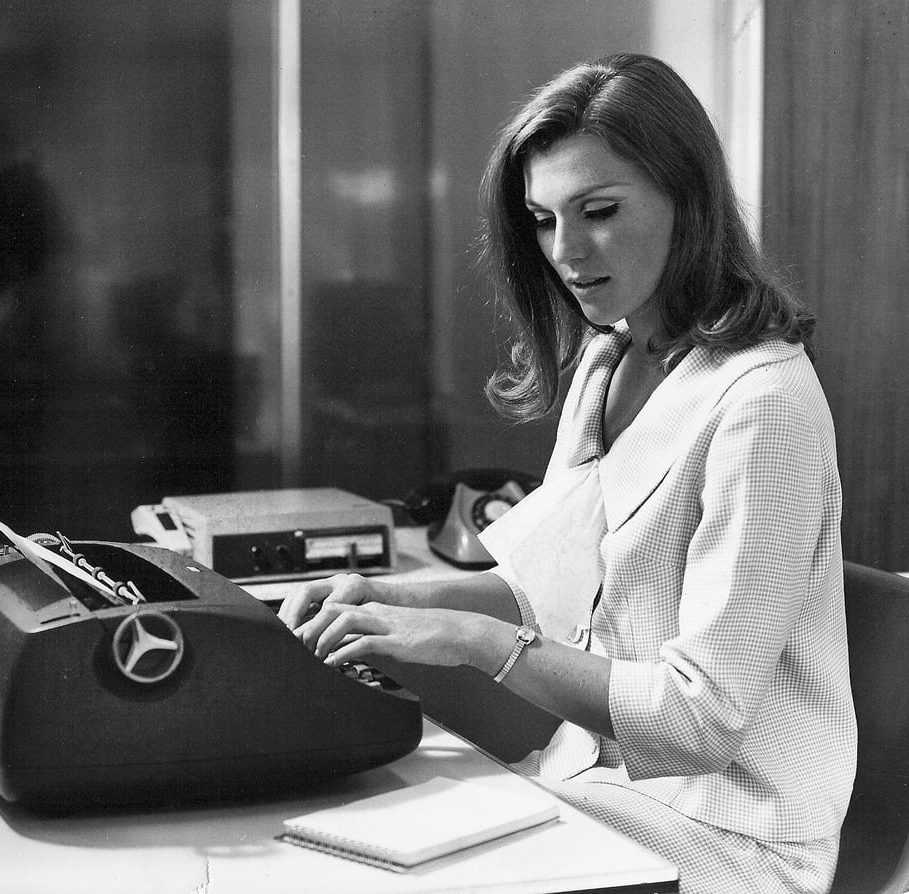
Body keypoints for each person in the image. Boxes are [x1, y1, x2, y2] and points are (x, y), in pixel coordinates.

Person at [278, 53, 856, 894]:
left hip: (731, 837)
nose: (566, 251)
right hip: (594, 786)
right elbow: (550, 592)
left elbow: (701, 723)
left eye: (599, 211)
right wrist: (387, 597)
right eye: (543, 220)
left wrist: (470, 641)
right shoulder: (609, 360)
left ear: (688, 198)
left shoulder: (764, 403)